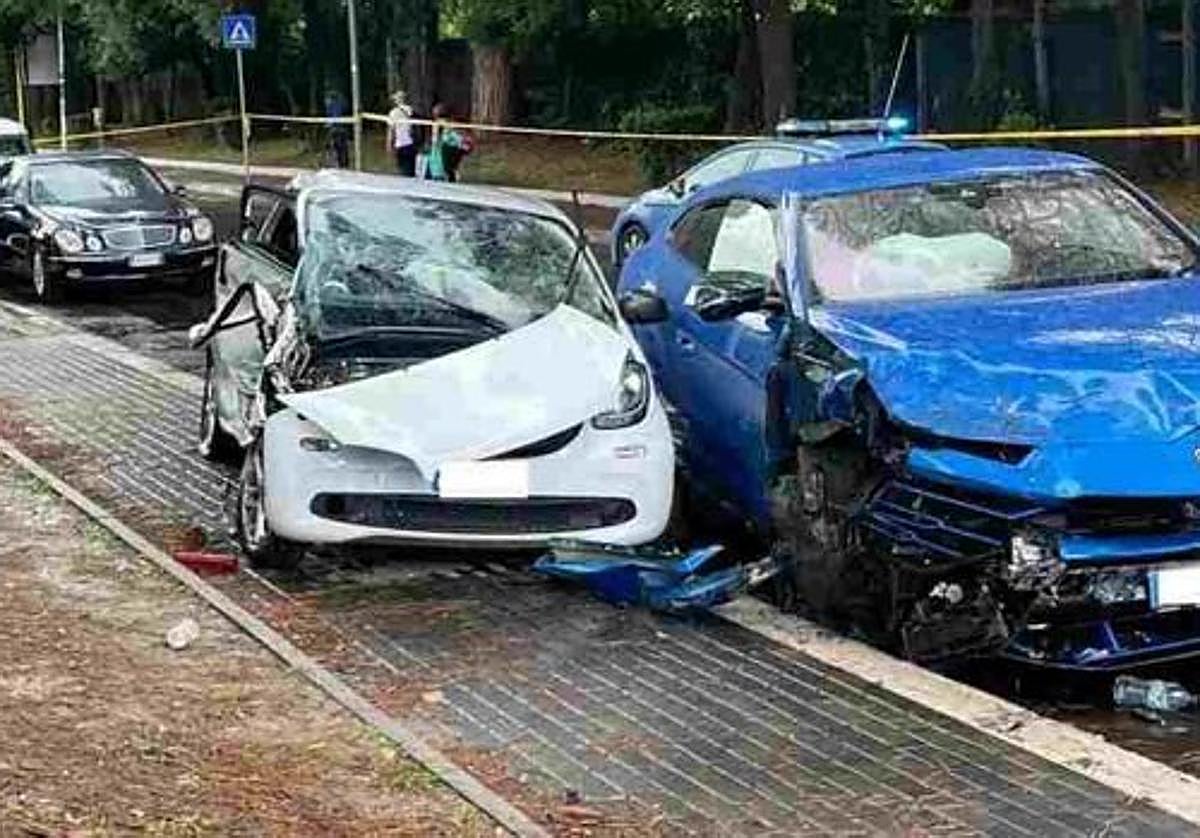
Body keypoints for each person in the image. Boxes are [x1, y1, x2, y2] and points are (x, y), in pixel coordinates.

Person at [426, 103, 473, 183]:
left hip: (441, 166)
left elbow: (460, 143)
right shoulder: (443, 127)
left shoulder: (448, 130)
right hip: (436, 164)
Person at [385, 90, 418, 177]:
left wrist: (389, 144)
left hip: (400, 144)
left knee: (403, 169)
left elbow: (391, 130)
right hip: (411, 143)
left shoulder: (393, 113)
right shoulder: (411, 110)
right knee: (411, 169)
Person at [324, 90, 350, 169]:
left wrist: (330, 124)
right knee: (340, 147)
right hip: (338, 129)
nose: (325, 101)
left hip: (338, 130)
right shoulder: (332, 107)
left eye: (326, 99)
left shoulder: (335, 106)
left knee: (339, 147)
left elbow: (336, 118)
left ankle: (341, 164)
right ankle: (341, 163)